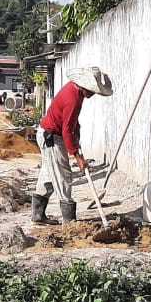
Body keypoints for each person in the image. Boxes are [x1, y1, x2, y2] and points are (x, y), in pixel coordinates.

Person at [32, 66, 113, 224]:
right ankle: (69, 221)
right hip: (51, 137)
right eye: (93, 90)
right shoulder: (73, 97)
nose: (93, 94)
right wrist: (77, 156)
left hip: (50, 134)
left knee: (48, 175)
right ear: (85, 86)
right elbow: (66, 130)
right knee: (63, 176)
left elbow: (71, 123)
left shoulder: (76, 91)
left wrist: (78, 133)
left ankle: (37, 215)